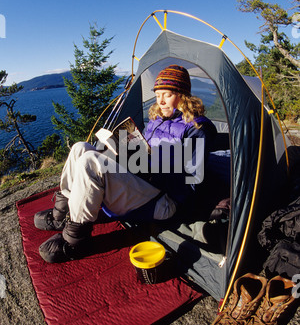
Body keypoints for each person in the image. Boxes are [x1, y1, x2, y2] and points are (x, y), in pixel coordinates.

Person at [35, 65, 217, 263]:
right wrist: (127, 155)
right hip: (144, 180)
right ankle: (64, 213)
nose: (161, 101)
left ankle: (76, 241)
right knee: (81, 148)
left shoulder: (199, 129)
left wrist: (151, 164)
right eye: (157, 95)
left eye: (167, 94)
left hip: (165, 200)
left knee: (91, 162)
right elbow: (145, 154)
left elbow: (192, 181)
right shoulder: (158, 120)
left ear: (183, 94)